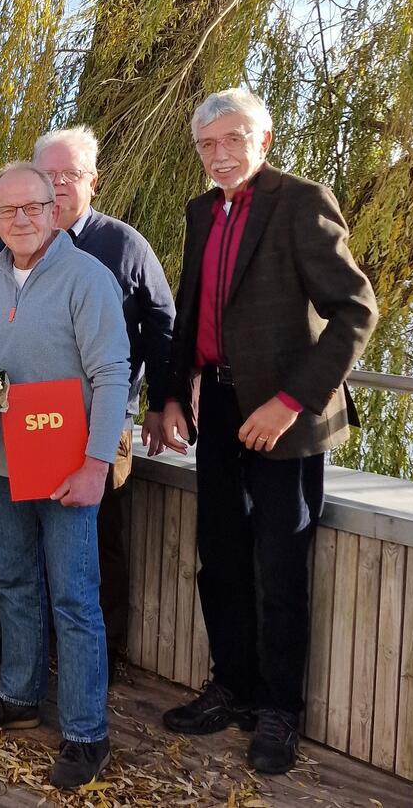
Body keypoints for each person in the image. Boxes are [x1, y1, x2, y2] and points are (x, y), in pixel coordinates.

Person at [158, 88, 377, 774]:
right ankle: (234, 685)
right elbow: (192, 308)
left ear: (265, 138)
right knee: (218, 555)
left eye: (232, 139)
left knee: (280, 568)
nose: (219, 155)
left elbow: (355, 310)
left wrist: (290, 401)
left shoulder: (299, 201)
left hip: (286, 416)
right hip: (218, 407)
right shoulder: (201, 211)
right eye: (206, 146)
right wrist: (171, 393)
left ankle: (279, 709)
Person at [0, 162, 129, 789]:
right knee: (15, 582)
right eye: (7, 211)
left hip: (67, 469)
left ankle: (86, 733)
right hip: (2, 461)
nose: (21, 219)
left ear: (55, 210)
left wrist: (95, 466)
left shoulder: (89, 278)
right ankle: (21, 696)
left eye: (33, 207)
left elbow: (112, 376)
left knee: (74, 597)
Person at [0, 126, 175, 664]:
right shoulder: (7, 246)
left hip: (99, 421)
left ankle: (104, 650)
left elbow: (162, 326)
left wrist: (162, 403)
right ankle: (32, 644)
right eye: (49, 174)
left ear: (92, 181)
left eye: (70, 174)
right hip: (25, 425)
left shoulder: (122, 244)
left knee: (96, 538)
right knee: (28, 545)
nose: (59, 185)